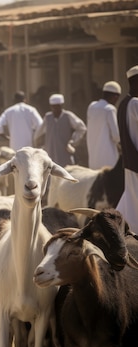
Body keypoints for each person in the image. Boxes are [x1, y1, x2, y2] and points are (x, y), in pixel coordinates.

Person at [34, 93, 87, 167]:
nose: (55, 109)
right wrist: (38, 145)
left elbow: (81, 128)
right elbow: (38, 134)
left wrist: (73, 141)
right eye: (53, 107)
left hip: (64, 153)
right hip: (50, 152)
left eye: (57, 107)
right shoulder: (48, 117)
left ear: (61, 106)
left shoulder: (68, 116)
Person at [116, 65, 138, 232]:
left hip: (130, 160)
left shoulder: (124, 103)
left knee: (130, 198)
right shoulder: (135, 103)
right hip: (135, 157)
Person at [86, 81, 121, 169]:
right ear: (115, 97)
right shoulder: (110, 109)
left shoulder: (92, 106)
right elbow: (116, 136)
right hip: (108, 161)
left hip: (93, 160)